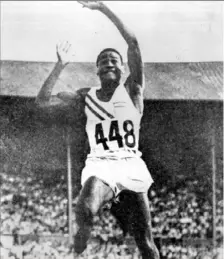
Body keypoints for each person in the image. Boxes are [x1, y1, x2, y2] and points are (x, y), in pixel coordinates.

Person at [35, 1, 160, 258]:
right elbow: (42, 102)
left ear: (123, 67)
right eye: (104, 60)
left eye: (114, 60)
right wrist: (60, 66)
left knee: (145, 240)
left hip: (129, 163)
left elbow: (133, 43)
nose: (110, 63)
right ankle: (80, 240)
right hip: (101, 164)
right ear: (97, 69)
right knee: (85, 209)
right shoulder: (86, 95)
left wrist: (103, 8)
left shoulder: (132, 89)